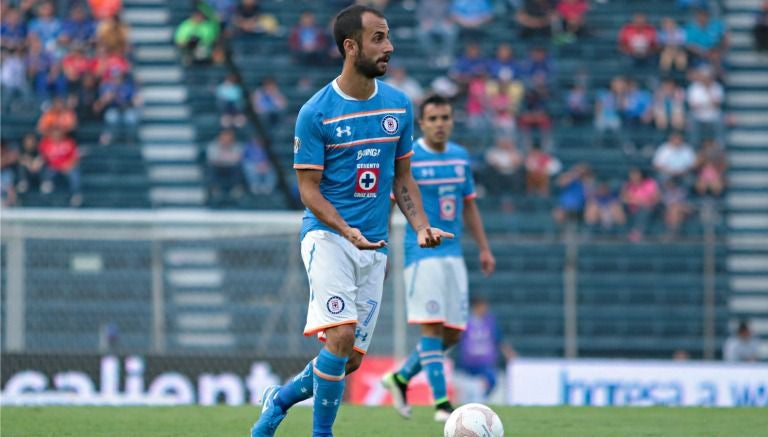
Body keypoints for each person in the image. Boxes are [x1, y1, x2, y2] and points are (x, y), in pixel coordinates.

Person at [251, 5, 452, 436]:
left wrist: (420, 226)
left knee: (349, 360)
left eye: (388, 36)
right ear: (351, 47)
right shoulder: (316, 112)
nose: (389, 46)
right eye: (378, 38)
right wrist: (346, 230)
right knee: (340, 337)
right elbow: (308, 190)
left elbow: (403, 178)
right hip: (328, 238)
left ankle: (280, 399)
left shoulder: (398, 106)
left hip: (373, 246)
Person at [378, 95, 495, 422]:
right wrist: (382, 248)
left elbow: (469, 204)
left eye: (445, 117)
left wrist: (484, 247)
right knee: (431, 327)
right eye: (433, 119)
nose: (440, 124)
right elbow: (390, 204)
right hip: (422, 253)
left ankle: (400, 378)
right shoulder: (410, 159)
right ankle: (442, 404)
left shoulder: (460, 157)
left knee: (453, 332)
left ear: (452, 121)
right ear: (422, 123)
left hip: (453, 255)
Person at [455, 296, 515, 402]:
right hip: (468, 361)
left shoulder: (490, 322)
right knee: (468, 385)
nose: (485, 309)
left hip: (485, 361)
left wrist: (508, 352)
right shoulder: (465, 322)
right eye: (482, 306)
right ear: (476, 307)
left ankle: (482, 398)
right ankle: (476, 400)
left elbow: (498, 339)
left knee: (492, 379)